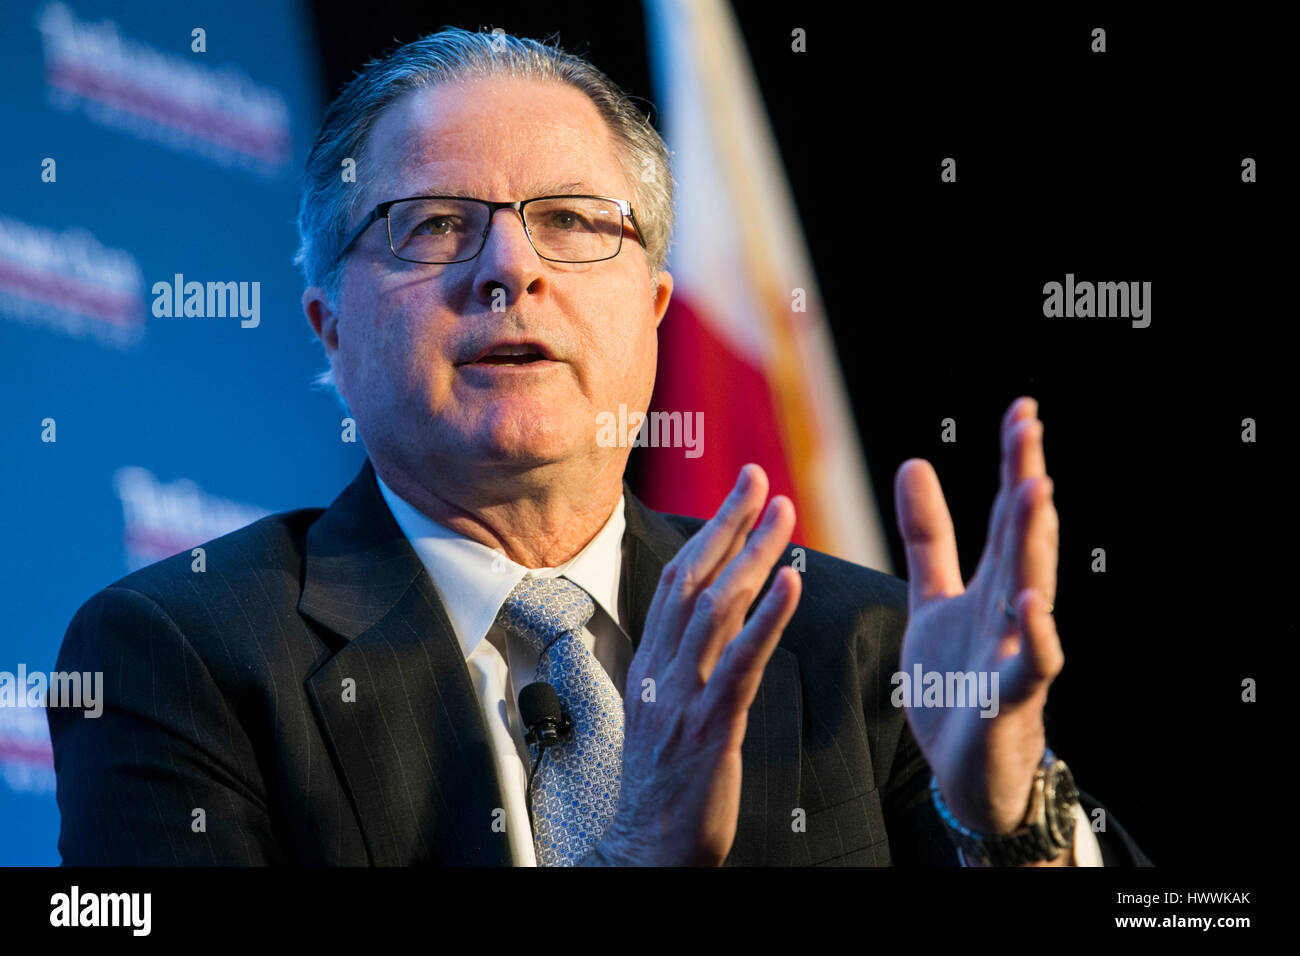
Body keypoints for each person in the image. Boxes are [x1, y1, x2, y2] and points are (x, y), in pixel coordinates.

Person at [48, 28, 1148, 867]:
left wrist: (1010, 818)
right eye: (434, 222)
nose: (510, 268)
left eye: (573, 220)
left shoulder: (857, 644)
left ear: (655, 312)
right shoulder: (183, 656)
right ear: (329, 327)